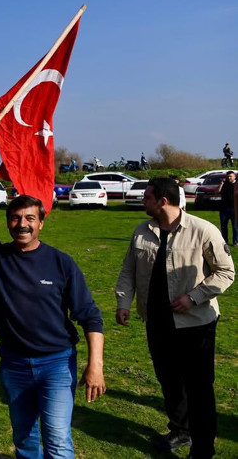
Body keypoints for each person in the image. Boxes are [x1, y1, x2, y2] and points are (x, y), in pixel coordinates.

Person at [0, 162, 106, 458]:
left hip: (57, 364)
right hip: (14, 364)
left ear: (41, 223)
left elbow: (90, 316)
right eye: (15, 218)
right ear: (8, 223)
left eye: (30, 218)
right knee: (25, 439)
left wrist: (95, 366)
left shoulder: (61, 263)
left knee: (56, 440)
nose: (22, 224)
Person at [115, 178, 234, 457]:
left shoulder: (203, 230)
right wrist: (124, 302)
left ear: (163, 201)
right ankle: (181, 430)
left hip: (196, 324)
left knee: (199, 387)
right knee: (169, 379)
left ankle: (203, 448)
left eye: (147, 197)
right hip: (157, 321)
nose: (143, 201)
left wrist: (194, 297)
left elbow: (225, 272)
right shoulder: (141, 231)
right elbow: (128, 270)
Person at [217, 171, 236, 245]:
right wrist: (221, 184)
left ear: (234, 176)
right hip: (224, 208)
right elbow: (217, 191)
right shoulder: (224, 184)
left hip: (234, 208)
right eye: (228, 176)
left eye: (230, 176)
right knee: (224, 226)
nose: (229, 178)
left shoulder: (236, 185)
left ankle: (235, 241)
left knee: (235, 226)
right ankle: (225, 241)